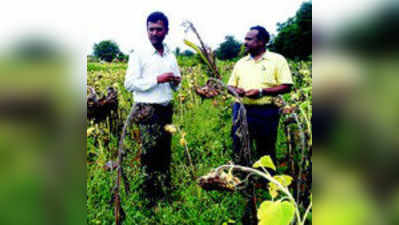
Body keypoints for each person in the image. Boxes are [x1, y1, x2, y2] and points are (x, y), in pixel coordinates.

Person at [124, 11, 181, 207]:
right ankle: (148, 199)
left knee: (164, 152)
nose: (155, 33)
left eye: (159, 29)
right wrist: (157, 79)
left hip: (166, 109)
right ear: (147, 30)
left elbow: (176, 85)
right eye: (151, 29)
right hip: (147, 110)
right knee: (149, 155)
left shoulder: (170, 54)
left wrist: (175, 82)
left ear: (167, 30)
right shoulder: (138, 53)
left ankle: (164, 194)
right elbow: (130, 84)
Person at [227, 25, 293, 165]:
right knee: (240, 146)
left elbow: (287, 86)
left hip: (266, 111)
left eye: (249, 39)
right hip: (241, 110)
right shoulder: (241, 62)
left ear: (261, 41)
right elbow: (230, 85)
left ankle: (267, 182)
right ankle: (243, 180)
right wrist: (236, 91)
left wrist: (262, 92)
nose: (245, 42)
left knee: (266, 148)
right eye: (245, 39)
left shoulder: (277, 60)